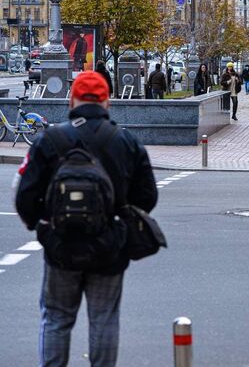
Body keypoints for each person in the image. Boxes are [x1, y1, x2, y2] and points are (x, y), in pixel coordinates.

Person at [15, 71, 158, 367]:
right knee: (104, 318)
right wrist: (121, 221)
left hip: (61, 246)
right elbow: (148, 196)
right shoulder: (125, 141)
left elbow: (25, 197)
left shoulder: (50, 139)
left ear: (72, 100)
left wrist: (43, 227)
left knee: (56, 318)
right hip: (109, 246)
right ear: (107, 102)